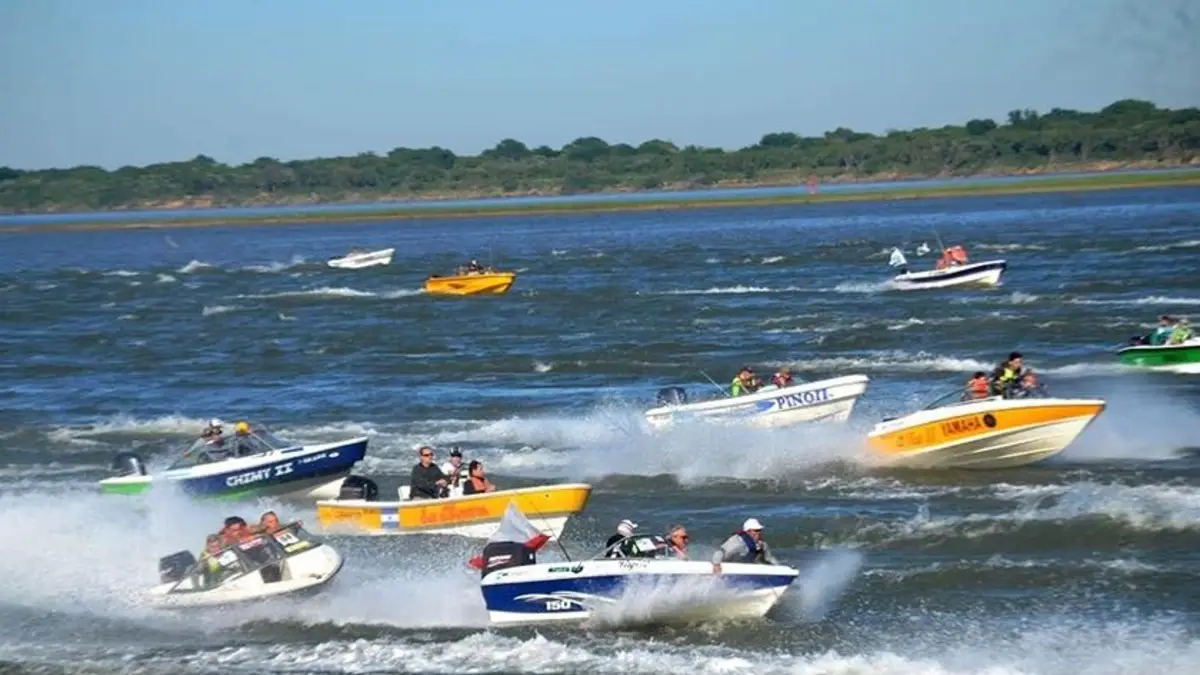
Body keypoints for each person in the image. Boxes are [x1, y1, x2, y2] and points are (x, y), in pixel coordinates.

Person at [711, 518, 778, 574]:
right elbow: (720, 552)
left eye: (759, 530)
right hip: (728, 566)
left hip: (748, 568)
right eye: (756, 530)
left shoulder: (763, 544)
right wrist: (716, 565)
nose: (759, 533)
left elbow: (769, 558)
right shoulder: (737, 542)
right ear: (748, 532)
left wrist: (778, 568)